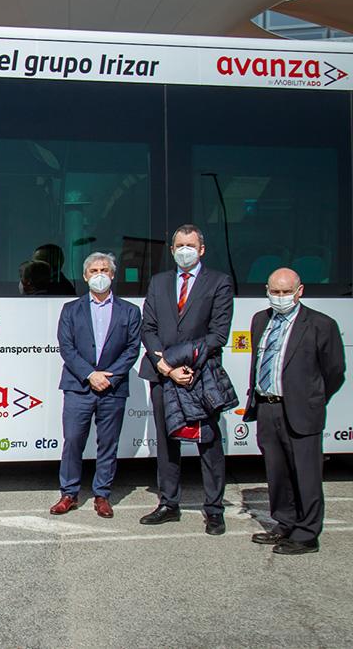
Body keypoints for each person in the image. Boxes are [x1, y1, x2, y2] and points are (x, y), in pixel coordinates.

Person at [138, 224, 234, 535]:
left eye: (190, 245)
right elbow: (148, 328)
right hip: (162, 374)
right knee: (167, 442)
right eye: (179, 245)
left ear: (202, 249)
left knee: (208, 442)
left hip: (199, 374)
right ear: (172, 250)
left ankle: (214, 509)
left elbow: (217, 334)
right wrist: (165, 367)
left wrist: (180, 363)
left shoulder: (219, 282)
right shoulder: (159, 282)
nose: (184, 250)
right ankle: (168, 503)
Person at [243, 268, 345, 555]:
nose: (280, 297)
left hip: (301, 410)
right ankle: (285, 523)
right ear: (267, 290)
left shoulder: (320, 325)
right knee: (277, 472)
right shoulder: (260, 320)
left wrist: (312, 398)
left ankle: (307, 534)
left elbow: (334, 370)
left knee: (306, 474)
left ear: (299, 291)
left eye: (286, 292)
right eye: (275, 292)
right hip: (267, 407)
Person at [50, 252, 141, 519]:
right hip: (79, 386)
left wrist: (108, 376)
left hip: (112, 388)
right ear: (85, 276)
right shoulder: (71, 309)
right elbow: (66, 348)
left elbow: (132, 349)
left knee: (108, 443)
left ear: (113, 275)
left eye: (104, 270)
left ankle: (102, 495)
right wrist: (91, 375)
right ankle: (69, 493)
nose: (99, 275)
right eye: (93, 271)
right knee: (73, 440)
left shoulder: (130, 311)